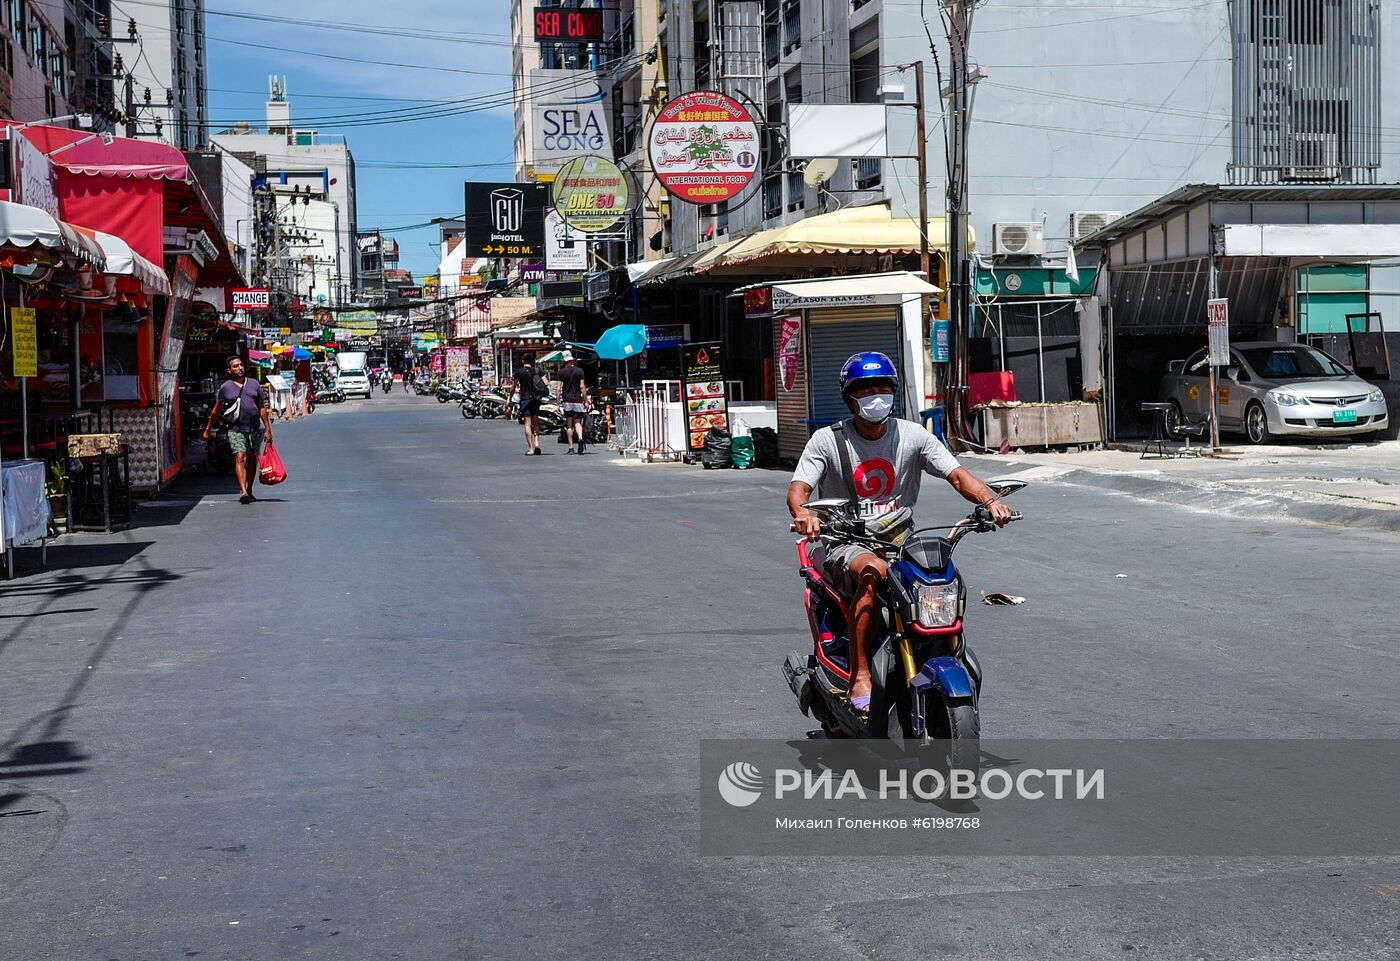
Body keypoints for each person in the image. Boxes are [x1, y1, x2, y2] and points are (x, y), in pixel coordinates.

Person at [786, 352, 1013, 712]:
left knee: (939, 574)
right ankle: (861, 672)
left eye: (882, 388)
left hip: (900, 543)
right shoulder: (826, 441)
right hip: (845, 542)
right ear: (850, 397)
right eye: (866, 390)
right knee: (873, 571)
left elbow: (956, 474)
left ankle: (944, 656)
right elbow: (799, 490)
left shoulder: (913, 436)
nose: (876, 396)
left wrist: (989, 502)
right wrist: (804, 514)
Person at [204, 355, 274, 505]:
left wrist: (267, 429)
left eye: (241, 365)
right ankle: (243, 491)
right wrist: (208, 428)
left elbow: (262, 408)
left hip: (254, 428)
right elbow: (217, 410)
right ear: (229, 370)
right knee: (240, 457)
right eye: (235, 366)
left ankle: (249, 489)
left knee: (251, 459)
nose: (239, 368)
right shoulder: (225, 388)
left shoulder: (254, 384)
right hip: (235, 429)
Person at [555, 352, 589, 454]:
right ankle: (580, 438)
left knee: (569, 425)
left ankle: (571, 448)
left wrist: (557, 403)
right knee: (578, 422)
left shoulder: (561, 372)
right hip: (578, 400)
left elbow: (558, 388)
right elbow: (582, 387)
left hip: (567, 400)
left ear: (564, 361)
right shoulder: (579, 371)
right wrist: (585, 400)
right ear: (572, 360)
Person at [516, 355, 544, 455]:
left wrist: (510, 399)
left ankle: (531, 448)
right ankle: (537, 443)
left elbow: (513, 387)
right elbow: (546, 382)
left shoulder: (519, 372)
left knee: (527, 424)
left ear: (523, 361)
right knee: (536, 421)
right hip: (536, 399)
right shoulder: (537, 371)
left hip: (525, 399)